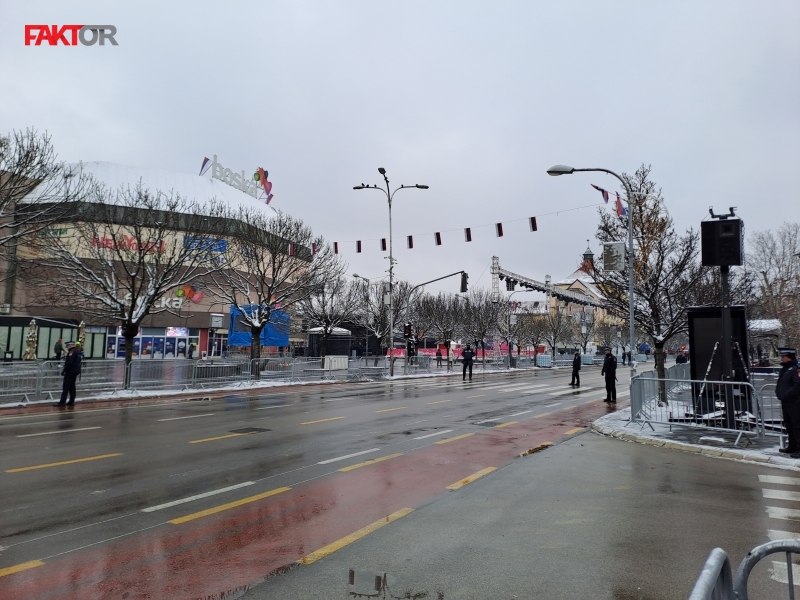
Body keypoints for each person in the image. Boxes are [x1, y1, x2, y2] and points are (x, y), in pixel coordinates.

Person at [775, 348, 800, 457]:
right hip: (786, 401)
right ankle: (792, 446)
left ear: (789, 357)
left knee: (797, 425)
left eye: (784, 356)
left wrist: (787, 394)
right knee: (789, 424)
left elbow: (798, 385)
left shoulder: (796, 369)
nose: (782, 358)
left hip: (795, 402)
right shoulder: (785, 369)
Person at [54, 341, 81, 407]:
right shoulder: (77, 351)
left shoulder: (71, 352)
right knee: (72, 386)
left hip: (70, 371)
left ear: (70, 346)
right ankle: (71, 401)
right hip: (75, 371)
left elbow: (69, 363)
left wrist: (64, 370)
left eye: (67, 346)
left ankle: (62, 402)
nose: (67, 348)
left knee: (66, 386)